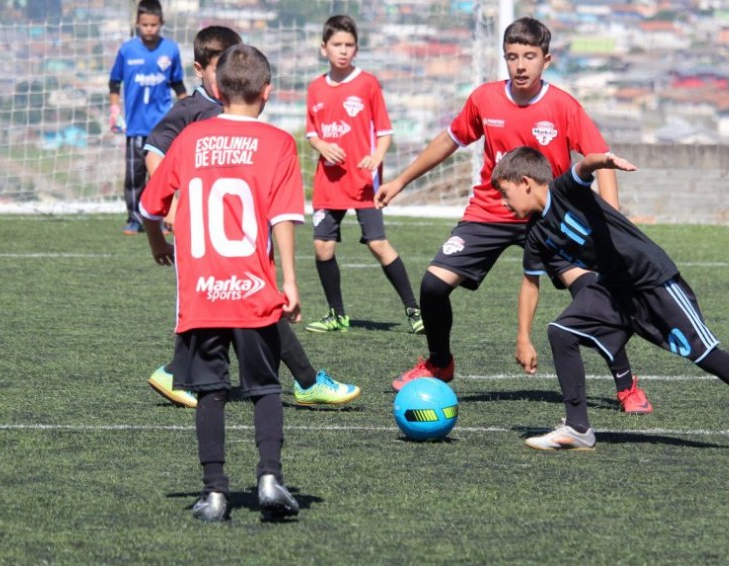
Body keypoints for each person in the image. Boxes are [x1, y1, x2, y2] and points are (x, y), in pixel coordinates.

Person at [375, 17, 651, 413]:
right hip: (489, 212)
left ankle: (626, 385)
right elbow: (449, 140)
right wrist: (400, 180)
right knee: (433, 285)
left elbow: (600, 161)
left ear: (546, 60)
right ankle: (439, 363)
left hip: (551, 218)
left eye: (529, 57)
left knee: (591, 292)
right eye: (512, 57)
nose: (520, 65)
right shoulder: (484, 99)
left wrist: (611, 218)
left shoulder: (563, 106)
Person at [489, 146, 729, 453]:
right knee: (561, 332)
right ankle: (578, 428)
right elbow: (537, 281)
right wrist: (527, 335)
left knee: (705, 353)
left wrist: (604, 160)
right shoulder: (535, 234)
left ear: (527, 182)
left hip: (651, 278)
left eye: (505, 193)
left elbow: (584, 167)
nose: (504, 203)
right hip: (614, 290)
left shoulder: (564, 191)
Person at [141, 25, 360, 410]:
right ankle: (305, 381)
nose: (229, 77)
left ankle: (179, 371)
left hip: (239, 233)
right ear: (201, 70)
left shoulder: (231, 111)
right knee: (258, 303)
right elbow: (155, 153)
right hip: (214, 237)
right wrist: (174, 206)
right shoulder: (192, 111)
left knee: (251, 306)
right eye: (218, 69)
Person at [139, 44, 305, 522]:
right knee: (266, 388)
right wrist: (289, 281)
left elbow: (151, 206)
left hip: (202, 294)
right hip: (252, 291)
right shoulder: (278, 143)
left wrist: (156, 244)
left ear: (217, 87)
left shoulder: (190, 139)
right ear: (267, 92)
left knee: (210, 391)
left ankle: (214, 493)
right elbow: (284, 218)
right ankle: (270, 478)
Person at [304, 15, 423, 334]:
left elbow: (384, 132)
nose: (342, 50)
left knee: (378, 244)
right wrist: (322, 146)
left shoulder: (367, 83)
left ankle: (414, 312)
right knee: (322, 247)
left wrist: (376, 157)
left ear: (356, 49)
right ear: (323, 48)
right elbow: (312, 133)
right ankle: (337, 315)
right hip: (328, 183)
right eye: (336, 45)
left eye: (349, 45)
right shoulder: (315, 88)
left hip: (361, 183)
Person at [108, 0, 186, 235]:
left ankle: (164, 218)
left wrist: (186, 110)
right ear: (137, 23)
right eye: (145, 25)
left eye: (154, 25)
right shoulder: (127, 50)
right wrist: (115, 111)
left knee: (161, 175)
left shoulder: (170, 50)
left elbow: (177, 84)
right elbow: (115, 82)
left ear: (161, 23)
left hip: (162, 127)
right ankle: (135, 219)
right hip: (135, 126)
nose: (149, 29)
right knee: (134, 175)